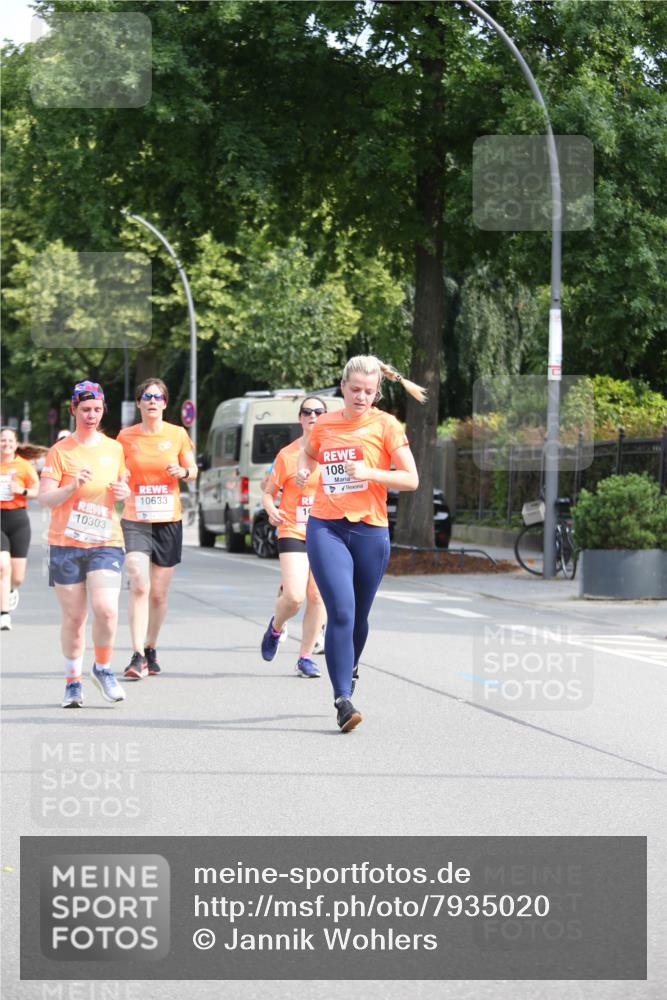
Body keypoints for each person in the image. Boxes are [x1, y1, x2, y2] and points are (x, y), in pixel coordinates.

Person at [297, 356, 424, 732]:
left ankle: (350, 665)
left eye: (369, 391)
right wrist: (306, 468)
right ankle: (342, 700)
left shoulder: (386, 425)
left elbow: (411, 479)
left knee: (360, 616)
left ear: (376, 392)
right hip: (326, 526)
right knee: (341, 610)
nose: (362, 397)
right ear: (343, 387)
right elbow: (308, 450)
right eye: (355, 390)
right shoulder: (325, 423)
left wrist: (370, 472)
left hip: (370, 529)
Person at [39, 381, 130, 708]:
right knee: (75, 619)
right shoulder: (60, 451)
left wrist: (124, 495)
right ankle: (72, 682)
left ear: (103, 409)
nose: (92, 415)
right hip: (65, 543)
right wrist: (72, 487)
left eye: (97, 409)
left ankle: (103, 668)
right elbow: (45, 498)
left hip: (106, 541)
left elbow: (121, 491)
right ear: (74, 410)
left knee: (106, 610)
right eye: (85, 409)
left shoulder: (114, 449)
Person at [117, 378, 197, 679]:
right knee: (139, 583)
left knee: (159, 595)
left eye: (158, 396)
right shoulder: (125, 437)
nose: (152, 401)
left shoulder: (177, 434)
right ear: (139, 403)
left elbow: (193, 471)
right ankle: (136, 654)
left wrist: (183, 471)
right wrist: (121, 476)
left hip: (168, 519)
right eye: (146, 396)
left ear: (164, 402)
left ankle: (151, 647)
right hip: (136, 518)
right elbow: (118, 469)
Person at [260, 397, 329, 678]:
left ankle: (305, 657)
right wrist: (271, 509)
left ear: (326, 417)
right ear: (300, 418)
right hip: (293, 529)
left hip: (325, 530)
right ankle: (276, 627)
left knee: (317, 596)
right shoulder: (287, 455)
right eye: (307, 412)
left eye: (319, 412)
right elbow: (267, 493)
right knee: (295, 596)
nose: (313, 415)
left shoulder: (333, 452)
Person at [0, 427, 40, 630]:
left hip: (18, 520)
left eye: (9, 441)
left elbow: (39, 491)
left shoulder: (23, 466)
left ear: (15, 445)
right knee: (2, 565)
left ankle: (10, 591)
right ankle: (4, 614)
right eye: (2, 440)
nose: (6, 444)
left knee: (17, 576)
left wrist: (21, 490)